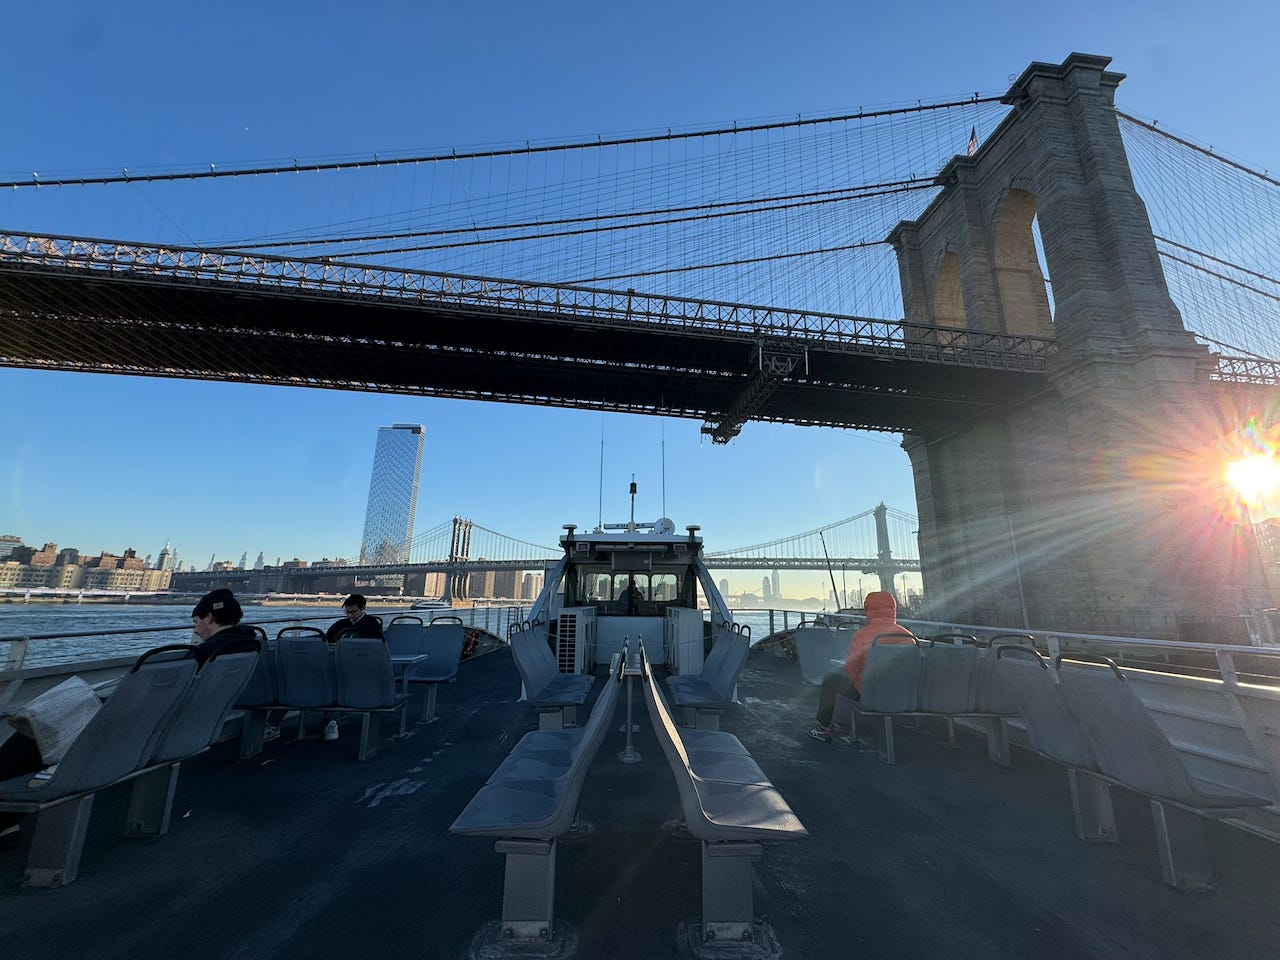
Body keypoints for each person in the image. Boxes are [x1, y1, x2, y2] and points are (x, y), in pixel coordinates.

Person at [808, 590, 916, 743]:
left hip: (868, 692)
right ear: (893, 609)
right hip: (902, 694)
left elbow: (851, 669)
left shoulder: (861, 635)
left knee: (830, 680)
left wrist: (859, 682)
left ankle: (822, 727)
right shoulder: (909, 637)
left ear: (868, 609)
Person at [320, 595, 384, 741]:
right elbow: (327, 641)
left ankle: (332, 720)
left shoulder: (372, 625)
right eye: (347, 612)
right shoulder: (339, 625)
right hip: (339, 664)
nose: (350, 615)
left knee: (338, 684)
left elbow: (376, 648)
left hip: (362, 667)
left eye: (353, 612)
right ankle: (332, 719)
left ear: (362, 608)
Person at [191, 588, 260, 665]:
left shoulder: (204, 651)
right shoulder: (252, 642)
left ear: (209, 617)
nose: (195, 630)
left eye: (196, 622)